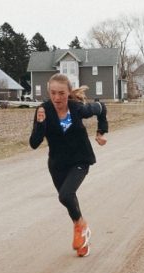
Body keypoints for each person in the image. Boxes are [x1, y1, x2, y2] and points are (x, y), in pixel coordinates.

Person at [30, 73, 108, 257]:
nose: (57, 98)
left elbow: (102, 108)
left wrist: (101, 132)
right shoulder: (43, 110)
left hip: (80, 159)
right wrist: (40, 124)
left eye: (62, 93)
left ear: (69, 92)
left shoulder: (78, 108)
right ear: (49, 92)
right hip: (57, 163)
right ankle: (82, 230)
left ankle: (80, 227)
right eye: (53, 93)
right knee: (67, 199)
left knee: (65, 194)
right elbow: (34, 143)